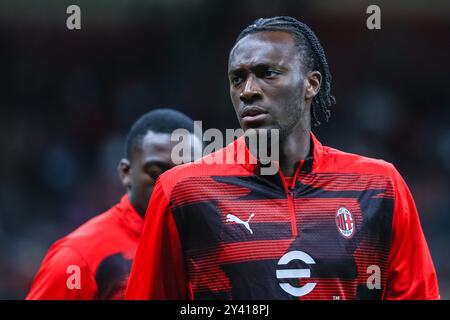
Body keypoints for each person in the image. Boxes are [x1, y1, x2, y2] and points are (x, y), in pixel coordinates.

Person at [125, 17, 439, 300]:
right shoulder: (181, 190)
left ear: (311, 84)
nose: (247, 90)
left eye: (267, 74)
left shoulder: (380, 186)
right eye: (237, 79)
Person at [26, 108, 202, 299]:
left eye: (185, 175)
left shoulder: (218, 245)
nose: (170, 187)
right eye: (155, 174)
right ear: (126, 173)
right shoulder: (77, 259)